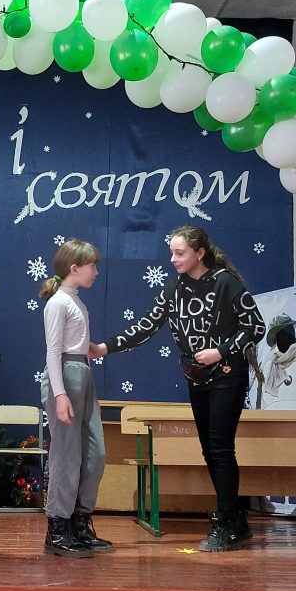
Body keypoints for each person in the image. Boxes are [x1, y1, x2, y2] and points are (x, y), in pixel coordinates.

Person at [90, 225, 265, 552]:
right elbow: (146, 326)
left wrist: (221, 351)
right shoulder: (174, 289)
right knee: (209, 448)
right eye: (171, 252)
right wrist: (105, 347)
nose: (173, 259)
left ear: (200, 253)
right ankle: (236, 520)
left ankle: (228, 521)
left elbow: (256, 326)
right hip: (197, 377)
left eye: (180, 252)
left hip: (227, 374)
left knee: (220, 447)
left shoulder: (226, 283)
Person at [40, 239, 111, 558]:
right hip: (65, 376)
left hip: (82, 372)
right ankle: (58, 528)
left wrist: (87, 348)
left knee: (95, 453)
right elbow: (53, 351)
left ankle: (80, 522)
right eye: (91, 266)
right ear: (74, 268)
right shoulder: (58, 302)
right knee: (66, 455)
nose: (95, 271)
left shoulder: (76, 301)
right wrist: (60, 394)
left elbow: (73, 343)